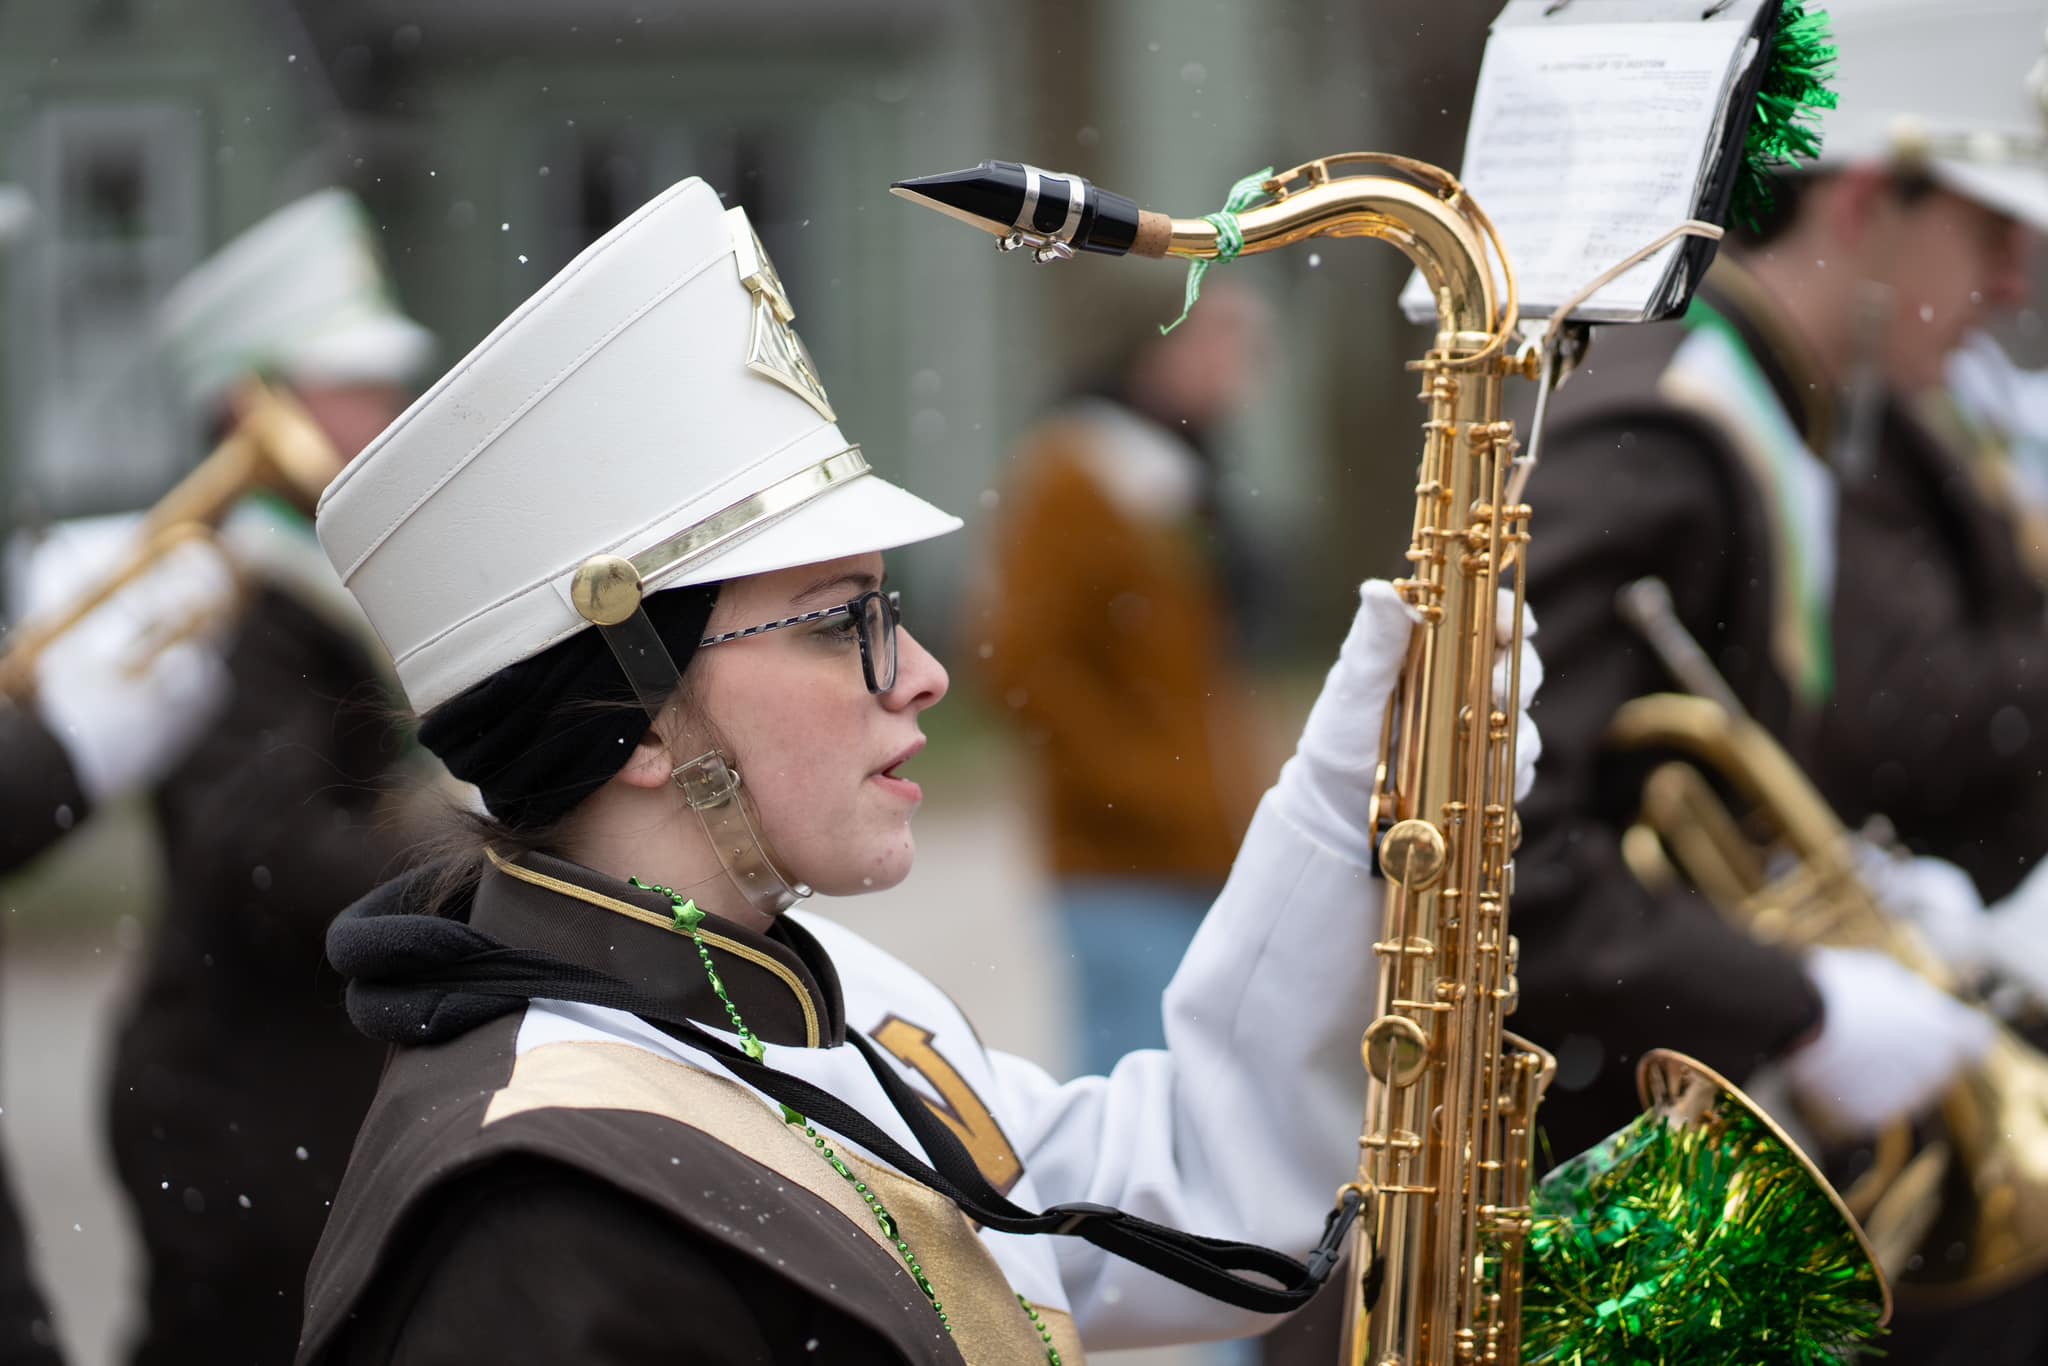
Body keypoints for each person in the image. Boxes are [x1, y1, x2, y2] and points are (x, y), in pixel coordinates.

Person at [293, 176, 1539, 1363]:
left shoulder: (811, 987)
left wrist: (1357, 797)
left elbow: (1188, 1193)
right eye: (843, 619)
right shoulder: (537, 1210)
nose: (924, 673)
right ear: (642, 714)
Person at [1505, 0, 2048, 1357]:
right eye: (1992, 231)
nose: (2017, 283)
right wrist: (1800, 998)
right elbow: (1495, 847)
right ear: (1868, 199)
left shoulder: (1783, 414)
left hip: (1680, 1152)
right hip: (1598, 1189)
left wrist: (1886, 914)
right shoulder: (1665, 426)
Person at [7, 188, 438, 1366]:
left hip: (271, 1090)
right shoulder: (227, 597)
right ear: (253, 401)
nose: (385, 409)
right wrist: (464, 859)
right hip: (243, 1101)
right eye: (352, 385)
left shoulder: (293, 581)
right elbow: (273, 852)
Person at [972, 280, 1272, 1079]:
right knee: (1129, 1097)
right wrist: (1147, 792)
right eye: (1221, 340)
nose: (1243, 367)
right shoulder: (1079, 472)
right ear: (1155, 346)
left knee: (1187, 1089)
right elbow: (1019, 663)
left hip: (1190, 852)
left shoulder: (1171, 469)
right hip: (1122, 860)